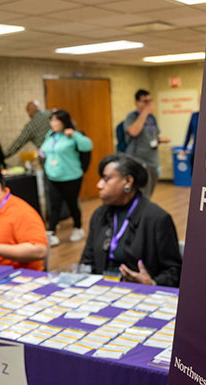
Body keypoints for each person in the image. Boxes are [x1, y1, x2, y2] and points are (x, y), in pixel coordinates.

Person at [80, 154, 182, 287]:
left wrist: (151, 283)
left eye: (106, 179)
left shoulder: (157, 218)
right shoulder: (100, 214)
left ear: (128, 181)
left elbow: (174, 272)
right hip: (101, 291)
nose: (99, 185)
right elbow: (87, 261)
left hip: (141, 296)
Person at [39, 110, 93, 246]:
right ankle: (51, 233)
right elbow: (45, 149)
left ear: (64, 122)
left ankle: (78, 228)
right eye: (52, 120)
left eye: (56, 120)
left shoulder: (73, 135)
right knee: (54, 205)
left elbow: (88, 145)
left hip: (71, 177)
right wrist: (41, 153)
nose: (53, 123)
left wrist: (75, 135)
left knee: (72, 204)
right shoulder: (50, 135)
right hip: (54, 177)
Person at [123, 89, 169, 198]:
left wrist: (160, 140)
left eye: (149, 101)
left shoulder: (151, 117)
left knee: (150, 192)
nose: (148, 104)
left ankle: (144, 212)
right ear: (137, 102)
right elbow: (133, 132)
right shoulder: (132, 117)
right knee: (142, 192)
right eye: (145, 101)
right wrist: (144, 112)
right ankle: (139, 213)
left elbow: (154, 136)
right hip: (138, 160)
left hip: (152, 160)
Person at [180, 110, 200, 176]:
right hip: (194, 151)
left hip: (205, 152)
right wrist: (184, 148)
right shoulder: (194, 116)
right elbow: (188, 133)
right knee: (194, 175)